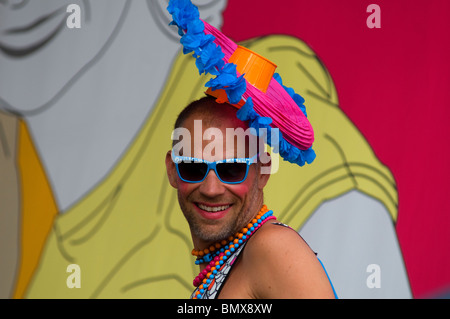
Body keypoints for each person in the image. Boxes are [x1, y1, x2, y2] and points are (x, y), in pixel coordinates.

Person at [165, 96, 336, 299]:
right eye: (193, 167)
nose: (211, 189)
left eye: (231, 169)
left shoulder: (273, 247)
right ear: (172, 170)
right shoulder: (227, 263)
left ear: (263, 171)